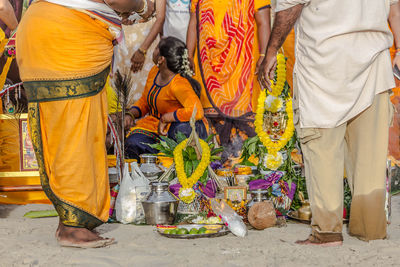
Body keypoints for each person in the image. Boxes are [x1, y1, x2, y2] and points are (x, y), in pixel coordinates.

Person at [259, 0, 400, 245]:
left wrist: (271, 51)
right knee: (369, 156)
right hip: (374, 62)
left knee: (322, 149)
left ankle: (327, 231)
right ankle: (371, 229)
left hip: (325, 65)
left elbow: (290, 7)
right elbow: (394, 5)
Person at [16, 0, 154, 248]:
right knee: (77, 131)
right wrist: (143, 6)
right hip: (67, 37)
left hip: (39, 30)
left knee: (57, 130)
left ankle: (68, 220)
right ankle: (72, 228)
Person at [186, 0, 271, 164]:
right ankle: (213, 180)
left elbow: (263, 21)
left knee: (246, 147)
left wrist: (264, 55)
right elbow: (194, 22)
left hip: (243, 73)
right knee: (211, 139)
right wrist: (188, 55)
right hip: (208, 70)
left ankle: (247, 177)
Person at [125, 36, 206, 161]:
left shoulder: (178, 84)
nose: (154, 49)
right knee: (133, 142)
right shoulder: (154, 72)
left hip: (176, 131)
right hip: (155, 127)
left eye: (157, 48)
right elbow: (145, 101)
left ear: (161, 59)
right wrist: (130, 114)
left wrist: (167, 118)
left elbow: (197, 111)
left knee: (181, 131)